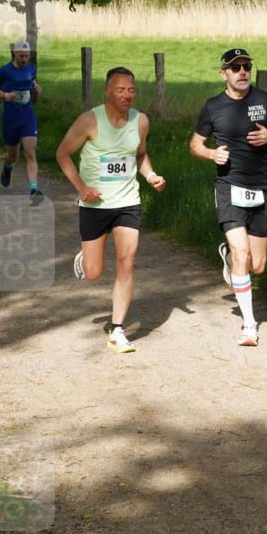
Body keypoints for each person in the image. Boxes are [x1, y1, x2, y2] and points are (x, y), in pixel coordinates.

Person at [56, 66, 166, 354]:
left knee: (126, 262)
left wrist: (151, 175)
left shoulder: (141, 121)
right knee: (94, 273)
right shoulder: (89, 121)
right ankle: (86, 258)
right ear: (107, 91)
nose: (127, 95)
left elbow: (140, 155)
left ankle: (117, 329)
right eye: (120, 90)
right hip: (94, 204)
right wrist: (81, 188)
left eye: (131, 90)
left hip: (127, 201)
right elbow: (62, 154)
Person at [190, 48, 267, 346]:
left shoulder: (265, 101)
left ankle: (227, 254)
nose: (242, 72)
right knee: (243, 254)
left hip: (261, 187)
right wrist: (212, 153)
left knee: (258, 265)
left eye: (246, 66)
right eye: (235, 67)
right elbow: (195, 145)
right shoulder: (213, 107)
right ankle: (249, 325)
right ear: (223, 73)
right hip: (229, 187)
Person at [0, 40, 43, 204]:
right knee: (13, 155)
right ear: (14, 55)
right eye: (21, 56)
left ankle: (33, 190)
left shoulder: (31, 69)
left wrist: (38, 89)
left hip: (27, 115)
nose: (24, 59)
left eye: (27, 56)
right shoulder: (5, 70)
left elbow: (33, 83)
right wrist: (4, 95)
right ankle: (7, 166)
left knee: (31, 153)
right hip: (10, 117)